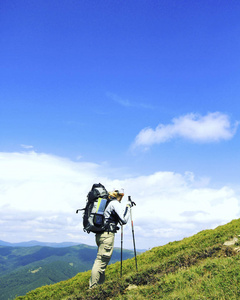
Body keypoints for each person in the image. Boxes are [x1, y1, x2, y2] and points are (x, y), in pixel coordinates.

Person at [89, 188, 134, 288]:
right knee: (100, 262)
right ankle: (93, 289)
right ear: (121, 195)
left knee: (102, 262)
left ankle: (99, 288)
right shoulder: (114, 203)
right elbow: (124, 220)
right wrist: (128, 206)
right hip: (107, 235)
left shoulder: (105, 202)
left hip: (100, 235)